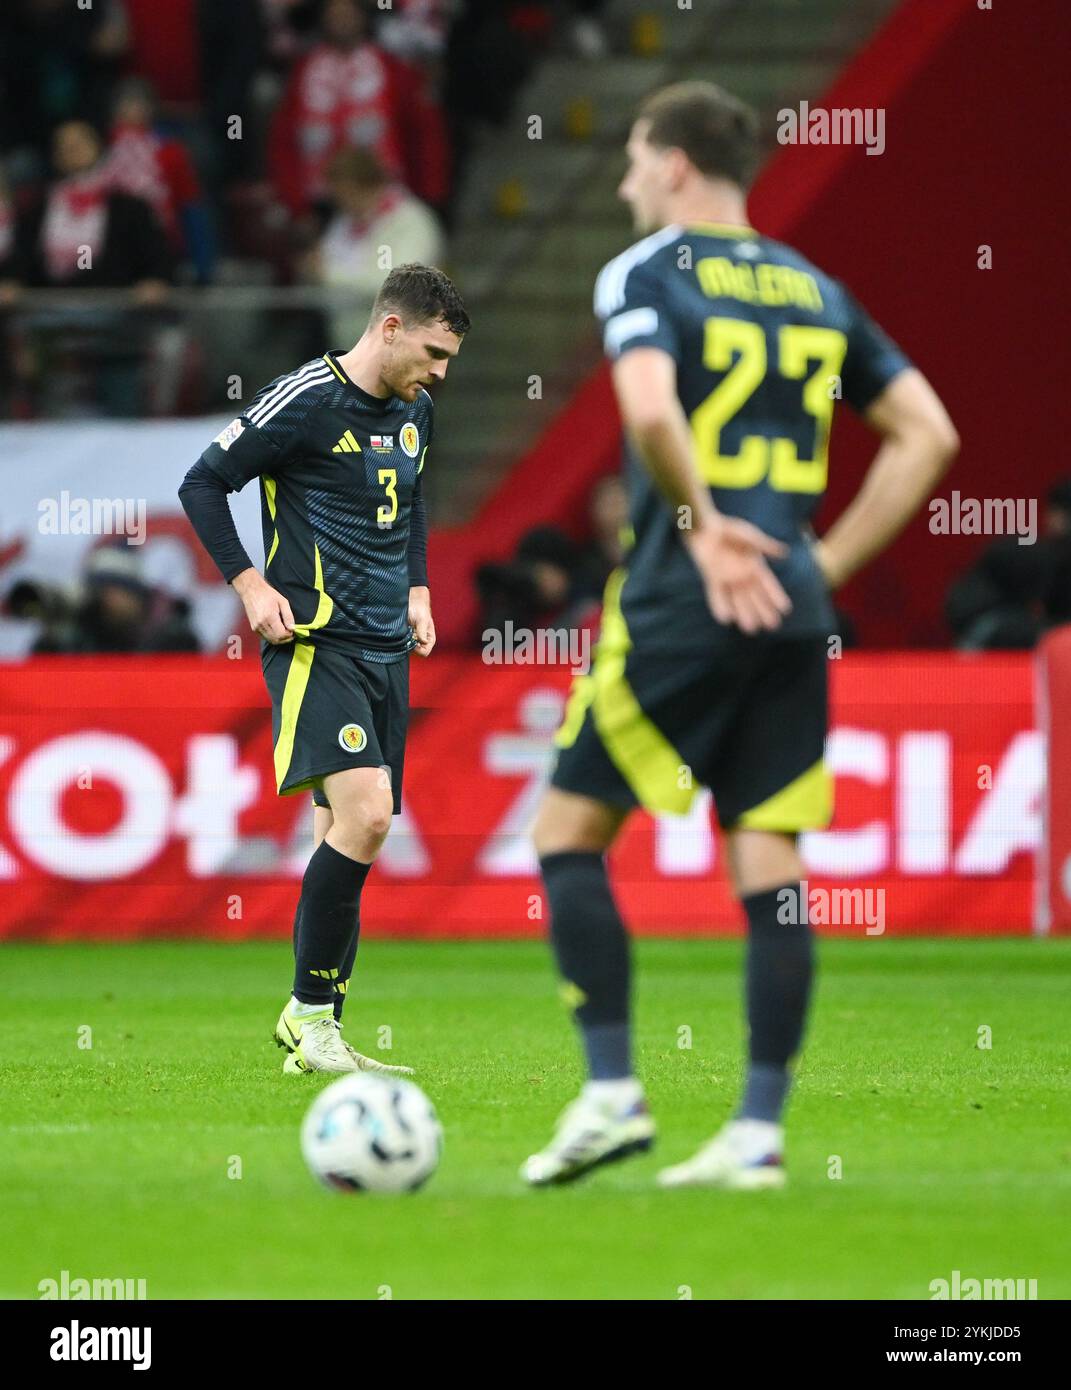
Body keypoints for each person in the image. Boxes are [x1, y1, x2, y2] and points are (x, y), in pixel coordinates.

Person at [521, 82, 958, 1189]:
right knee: (769, 860)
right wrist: (824, 565)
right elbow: (928, 433)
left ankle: (613, 1093)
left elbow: (653, 410)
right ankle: (757, 1132)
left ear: (672, 165)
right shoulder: (814, 286)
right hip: (791, 613)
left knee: (566, 837)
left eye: (630, 158)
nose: (623, 181)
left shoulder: (647, 270)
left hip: (681, 598)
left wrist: (706, 530)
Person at [179, 263, 469, 1076]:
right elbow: (203, 481)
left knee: (345, 834)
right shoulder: (305, 398)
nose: (440, 374)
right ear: (388, 328)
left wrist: (416, 590)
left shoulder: (417, 413)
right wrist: (248, 584)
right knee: (369, 815)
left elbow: (409, 504)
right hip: (315, 642)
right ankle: (308, 1015)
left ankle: (319, 1030)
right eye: (434, 353)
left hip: (386, 648)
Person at [303, 146, 443, 348]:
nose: (340, 203)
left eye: (344, 194)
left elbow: (393, 285)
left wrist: (327, 273)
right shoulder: (346, 222)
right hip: (347, 346)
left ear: (365, 186)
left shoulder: (411, 221)